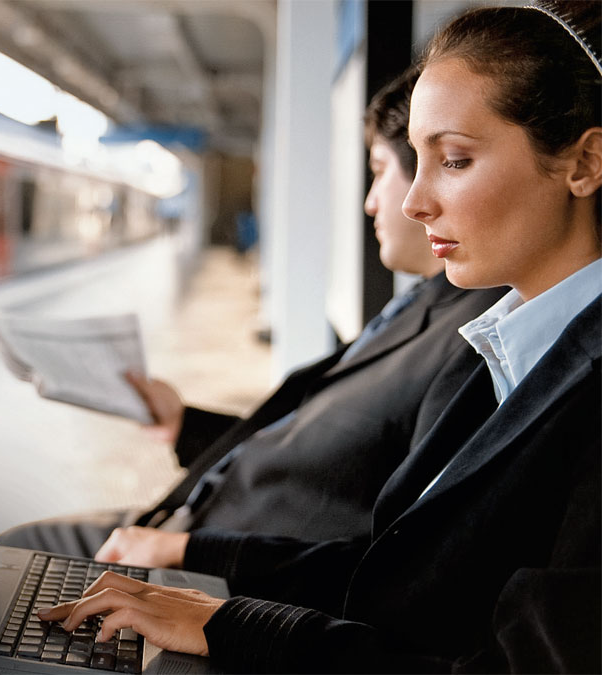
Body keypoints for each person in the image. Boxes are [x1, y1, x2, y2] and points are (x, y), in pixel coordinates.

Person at [40, 2, 601, 671]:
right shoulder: (496, 350)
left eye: (454, 160)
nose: (414, 202)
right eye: (414, 161)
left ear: (584, 163)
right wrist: (208, 598)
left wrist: (231, 623)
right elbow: (386, 574)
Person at [0, 69, 506, 561]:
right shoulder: (422, 303)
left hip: (226, 567)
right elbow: (311, 453)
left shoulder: (480, 339)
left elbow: (387, 555)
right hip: (201, 522)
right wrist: (182, 423)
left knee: (18, 550)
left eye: (378, 173)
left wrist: (190, 550)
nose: (376, 204)